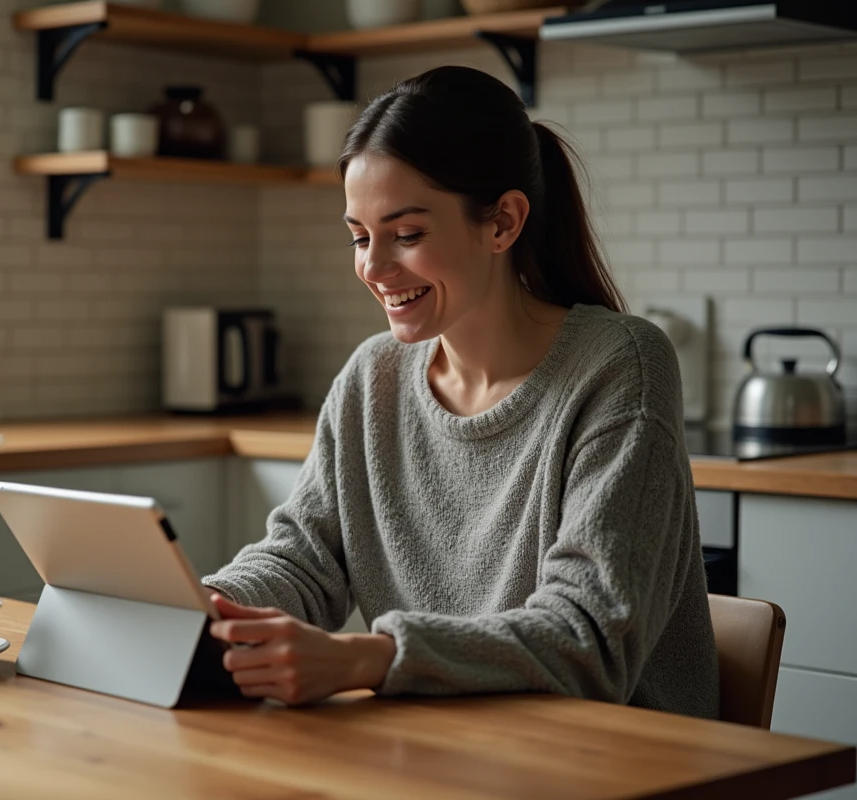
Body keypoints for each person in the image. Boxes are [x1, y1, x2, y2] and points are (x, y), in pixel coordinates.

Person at [200, 65, 719, 719]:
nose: (374, 267)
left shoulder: (620, 365)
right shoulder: (372, 378)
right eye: (360, 237)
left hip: (621, 762)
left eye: (407, 234)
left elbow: (588, 642)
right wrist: (199, 609)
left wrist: (370, 658)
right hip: (446, 752)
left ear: (503, 223)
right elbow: (302, 561)